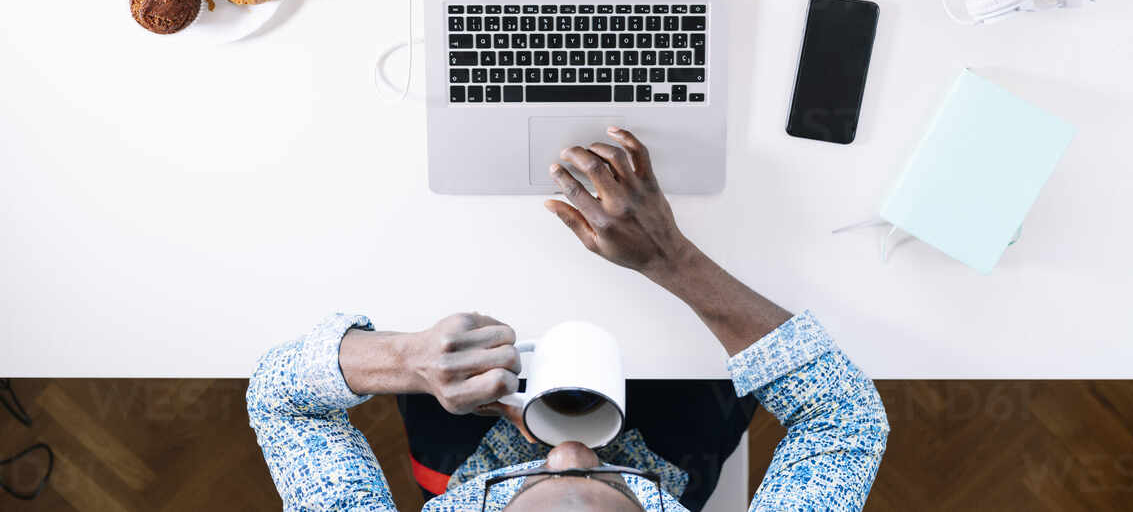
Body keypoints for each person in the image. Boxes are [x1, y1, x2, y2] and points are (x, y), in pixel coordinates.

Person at [248, 127, 889, 510]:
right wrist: (670, 255)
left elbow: (282, 401)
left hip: (461, 420)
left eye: (530, 487)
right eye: (606, 477)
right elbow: (843, 419)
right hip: (678, 427)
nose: (565, 448)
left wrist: (403, 359)